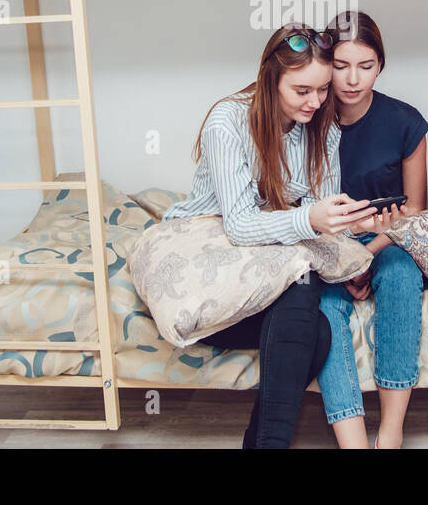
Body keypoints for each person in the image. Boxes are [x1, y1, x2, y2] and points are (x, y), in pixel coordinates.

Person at [160, 24, 382, 448]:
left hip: (265, 278)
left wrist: (356, 225)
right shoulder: (228, 122)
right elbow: (241, 225)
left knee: (314, 328)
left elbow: (321, 205)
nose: (315, 102)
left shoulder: (321, 124)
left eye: (322, 90)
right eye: (302, 90)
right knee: (305, 309)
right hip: (211, 286)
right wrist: (310, 220)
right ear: (270, 79)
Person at [315, 11, 428, 450]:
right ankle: (352, 439)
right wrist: (345, 264)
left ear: (380, 65)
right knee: (322, 302)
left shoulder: (405, 122)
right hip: (328, 244)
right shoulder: (309, 117)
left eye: (365, 66)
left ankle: (392, 428)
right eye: (340, 66)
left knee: (402, 275)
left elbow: (416, 208)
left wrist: (368, 254)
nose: (351, 79)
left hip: (388, 240)